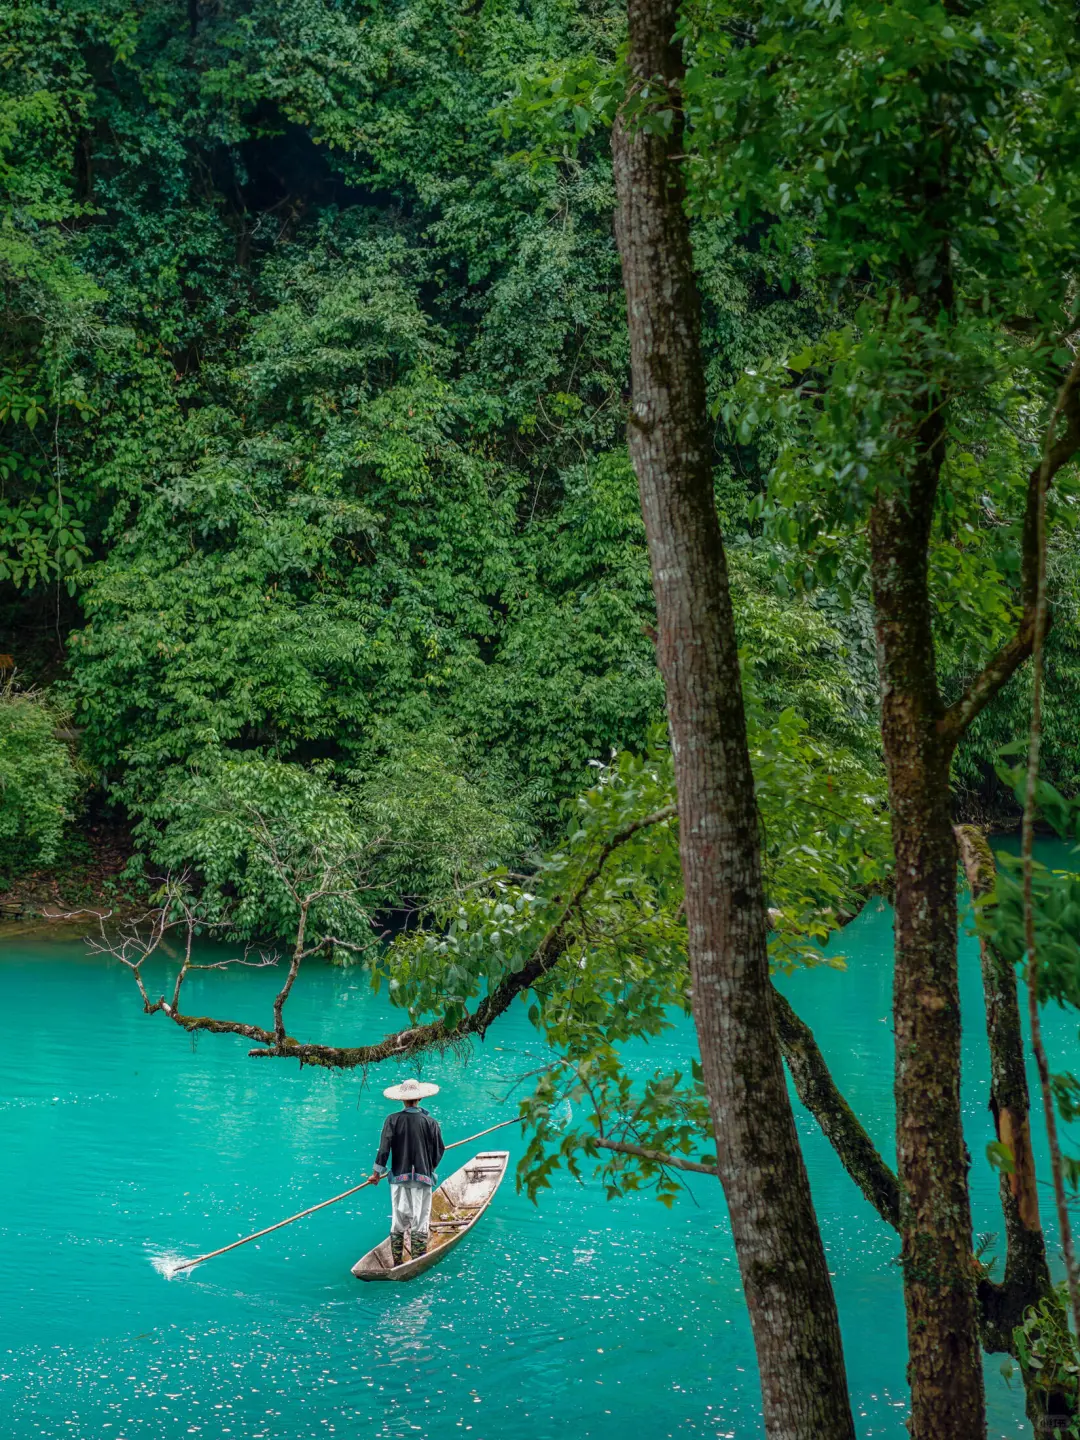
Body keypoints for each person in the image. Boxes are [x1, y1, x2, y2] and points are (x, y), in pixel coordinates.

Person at [369, 1077, 445, 1266]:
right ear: (420, 1099)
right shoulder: (431, 1123)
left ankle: (396, 1262)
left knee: (398, 1218)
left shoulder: (392, 1120)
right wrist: (429, 1167)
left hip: (398, 1177)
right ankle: (418, 1260)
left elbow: (384, 1148)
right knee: (420, 1219)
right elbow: (439, 1151)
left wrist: (377, 1174)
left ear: (402, 1099)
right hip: (423, 1177)